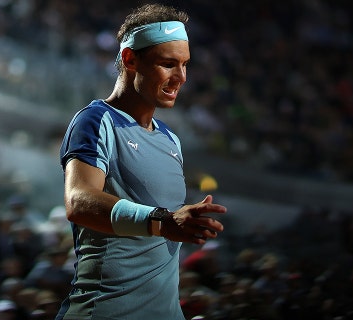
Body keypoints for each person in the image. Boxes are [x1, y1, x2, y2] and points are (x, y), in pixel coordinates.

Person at [55, 4, 227, 320]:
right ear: (130, 59)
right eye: (168, 64)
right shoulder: (96, 121)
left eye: (185, 65)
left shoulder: (171, 140)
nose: (181, 77)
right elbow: (78, 201)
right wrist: (164, 221)